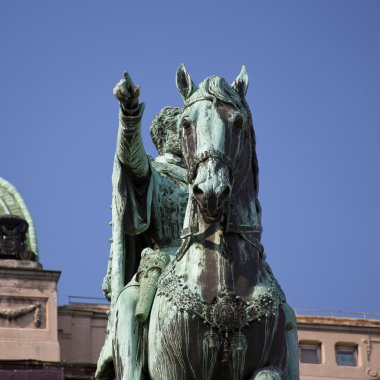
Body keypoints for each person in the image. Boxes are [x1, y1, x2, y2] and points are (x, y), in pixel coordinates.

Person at [96, 73, 188, 380]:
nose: (187, 137)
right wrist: (129, 113)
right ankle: (131, 373)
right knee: (128, 301)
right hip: (161, 264)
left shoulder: (206, 179)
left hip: (211, 261)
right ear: (163, 135)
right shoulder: (154, 171)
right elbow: (130, 155)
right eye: (180, 129)